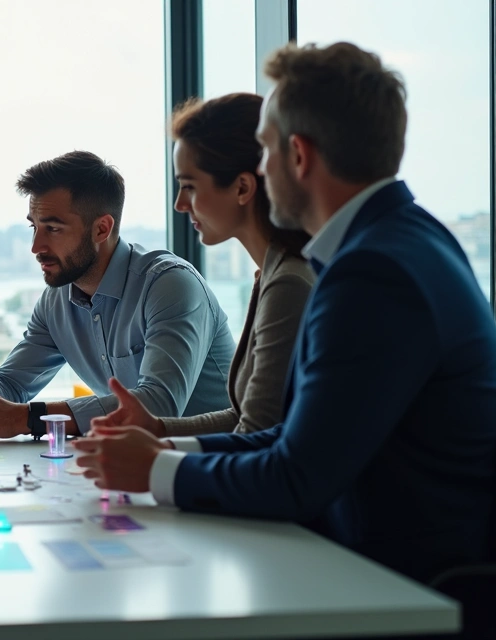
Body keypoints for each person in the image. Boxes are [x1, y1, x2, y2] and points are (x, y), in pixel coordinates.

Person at [76, 42, 496, 583]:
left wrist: (156, 468)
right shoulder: (410, 238)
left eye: (266, 149)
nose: (263, 168)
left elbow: (297, 478)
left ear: (298, 156)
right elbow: (294, 438)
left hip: (396, 581)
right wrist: (163, 446)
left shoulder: (371, 273)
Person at [0, 151, 236, 439]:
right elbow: (10, 385)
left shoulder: (170, 285)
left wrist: (27, 419)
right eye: (34, 226)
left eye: (53, 228)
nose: (36, 246)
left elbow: (158, 405)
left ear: (102, 228)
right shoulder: (56, 302)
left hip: (217, 469)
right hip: (138, 467)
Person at [97, 93, 314, 440]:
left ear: (242, 187)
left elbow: (256, 437)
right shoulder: (272, 273)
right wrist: (156, 429)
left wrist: (156, 459)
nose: (180, 204)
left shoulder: (289, 282)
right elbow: (246, 418)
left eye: (189, 186)